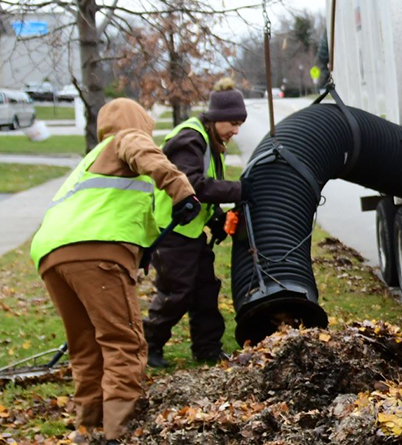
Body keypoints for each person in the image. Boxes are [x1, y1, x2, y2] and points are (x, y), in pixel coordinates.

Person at [29, 98, 200, 443]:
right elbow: (145, 152)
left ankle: (89, 428)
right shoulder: (127, 137)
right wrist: (182, 191)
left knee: (85, 346)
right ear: (139, 122)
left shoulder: (91, 159)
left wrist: (142, 252)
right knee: (123, 341)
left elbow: (124, 211)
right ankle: (119, 432)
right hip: (96, 250)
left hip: (50, 256)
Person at [144, 77, 250, 367]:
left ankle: (207, 349)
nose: (236, 130)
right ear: (216, 118)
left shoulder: (210, 141)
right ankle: (147, 345)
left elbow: (203, 189)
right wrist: (240, 189)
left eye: (240, 124)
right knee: (177, 293)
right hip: (171, 231)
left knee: (205, 290)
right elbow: (191, 184)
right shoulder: (189, 139)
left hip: (190, 230)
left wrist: (215, 217)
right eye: (233, 123)